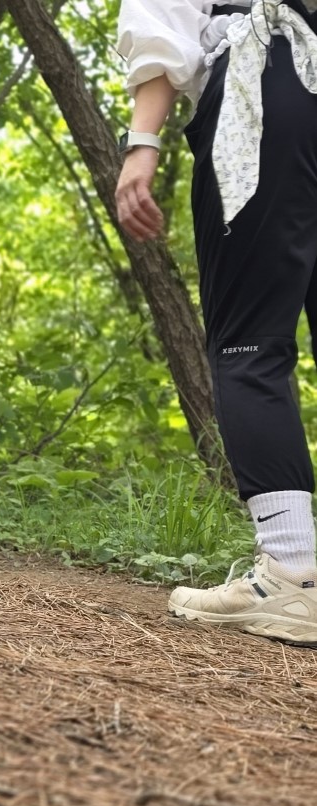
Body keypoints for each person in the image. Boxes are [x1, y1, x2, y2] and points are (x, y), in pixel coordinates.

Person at [117, 0, 317, 644]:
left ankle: (293, 572)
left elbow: (161, 20)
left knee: (248, 347)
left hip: (269, 91)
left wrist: (141, 143)